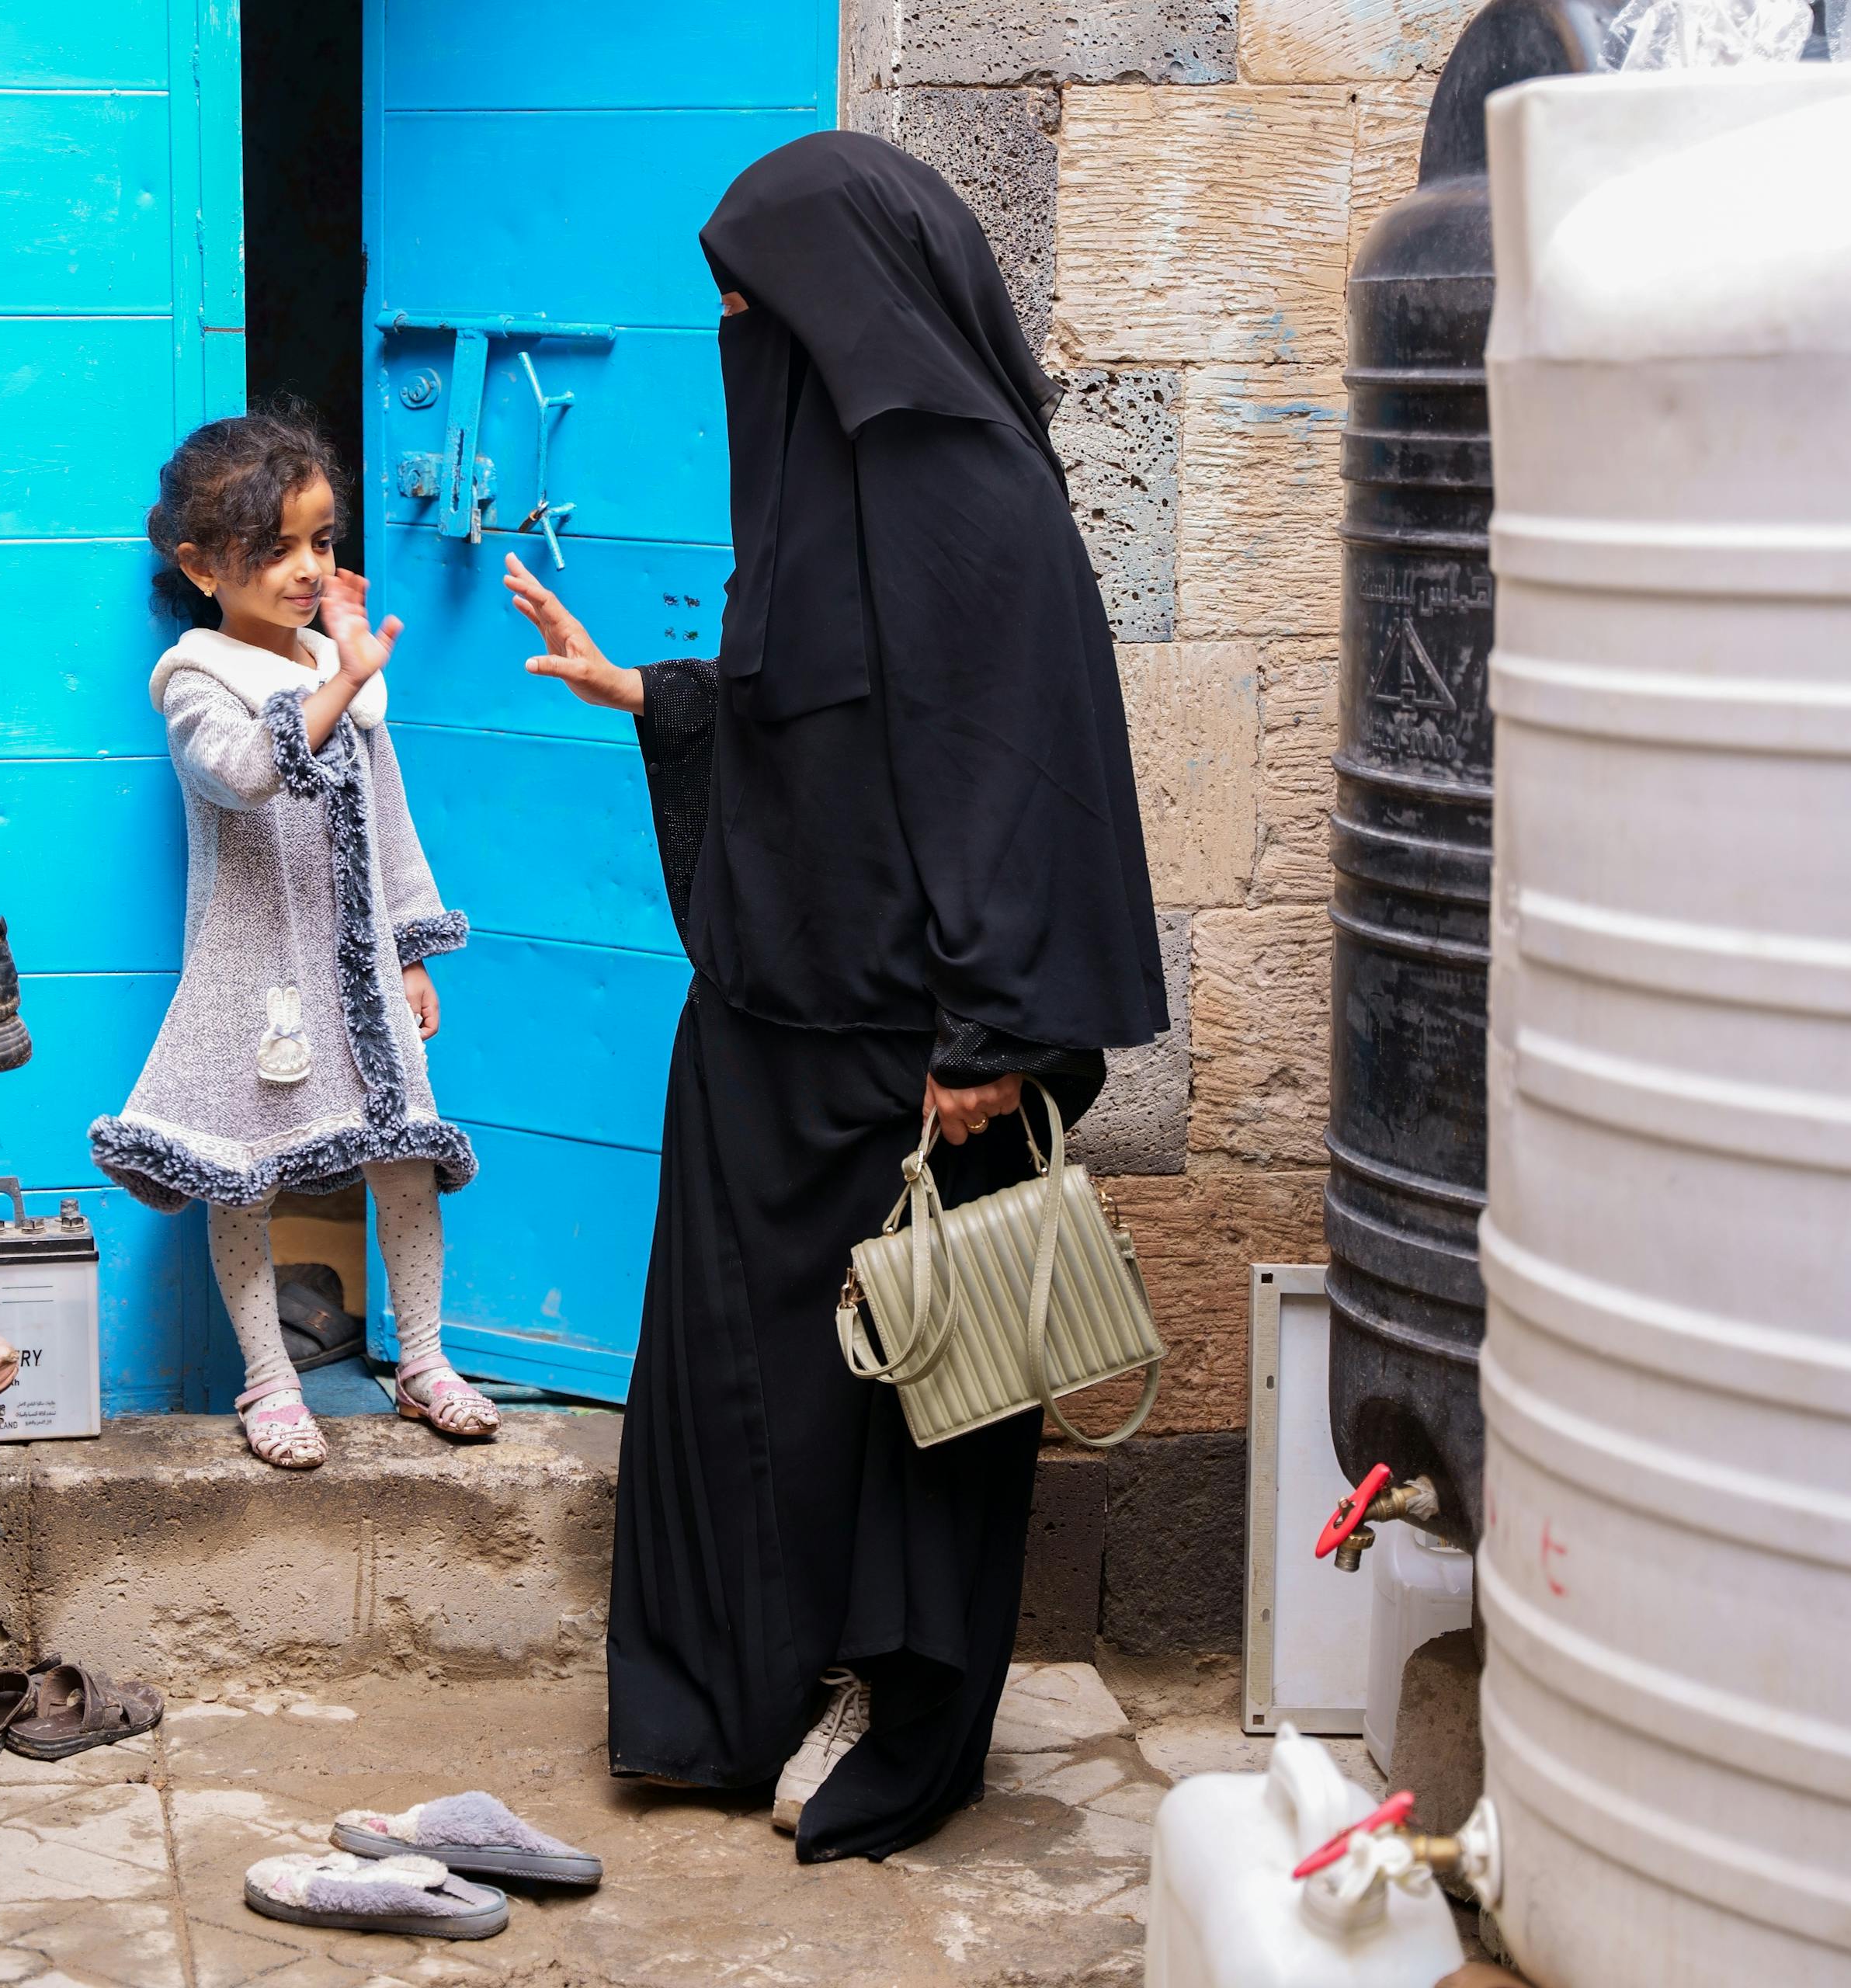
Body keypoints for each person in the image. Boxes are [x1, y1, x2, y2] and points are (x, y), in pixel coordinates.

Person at [508, 130, 1165, 1862]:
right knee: (755, 1385)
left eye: (754, 306)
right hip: (773, 1035)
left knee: (918, 1409)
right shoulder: (829, 487)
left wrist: (993, 1032)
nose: (740, 337)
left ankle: (903, 1718)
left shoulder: (975, 496)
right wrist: (657, 695)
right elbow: (833, 715)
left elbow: (1009, 768)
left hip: (920, 1053)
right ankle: (740, 1696)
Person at [89, 404, 499, 1468]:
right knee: (246, 1174)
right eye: (273, 551)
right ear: (202, 564)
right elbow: (245, 772)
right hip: (256, 975)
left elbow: (390, 821)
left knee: (406, 1157)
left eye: (321, 543)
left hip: (355, 967)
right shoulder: (198, 680)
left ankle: (425, 1359)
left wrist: (407, 949)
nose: (308, 568)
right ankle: (268, 1381)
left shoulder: (339, 663)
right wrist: (341, 685)